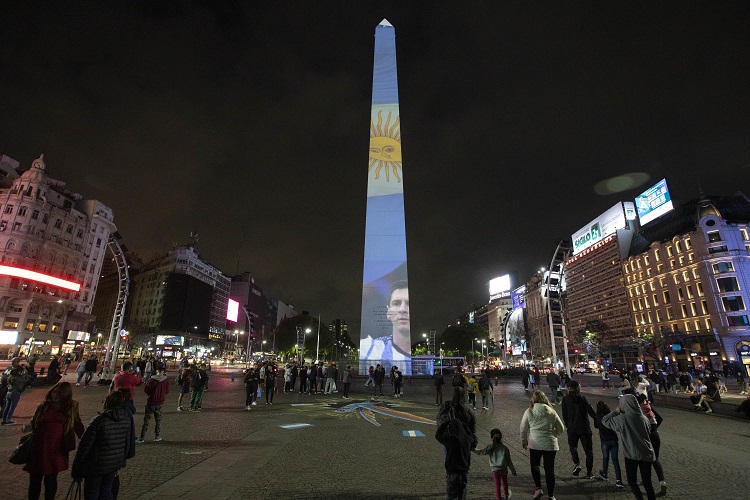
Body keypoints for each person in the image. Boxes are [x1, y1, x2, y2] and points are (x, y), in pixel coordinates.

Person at [22, 381, 84, 500]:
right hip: (39, 447)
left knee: (50, 480)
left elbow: (77, 425)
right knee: (34, 480)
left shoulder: (71, 407)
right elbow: (34, 420)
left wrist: (87, 440)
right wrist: (27, 427)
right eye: (54, 392)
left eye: (58, 394)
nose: (55, 396)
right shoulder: (44, 405)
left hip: (56, 449)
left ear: (65, 395)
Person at [72, 390, 135, 500]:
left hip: (96, 465)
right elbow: (127, 443)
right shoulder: (126, 419)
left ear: (107, 402)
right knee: (106, 490)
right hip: (113, 465)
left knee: (92, 492)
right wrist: (121, 462)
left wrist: (76, 470)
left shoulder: (99, 421)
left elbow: (84, 447)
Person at [601, 394, 656, 500]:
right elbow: (648, 432)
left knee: (632, 481)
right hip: (646, 452)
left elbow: (605, 421)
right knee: (647, 483)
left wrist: (615, 412)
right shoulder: (644, 418)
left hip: (631, 454)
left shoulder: (623, 419)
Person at [520, 391, 565, 500]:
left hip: (535, 443)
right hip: (550, 444)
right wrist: (554, 433)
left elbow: (523, 428)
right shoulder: (552, 412)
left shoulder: (529, 411)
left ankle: (538, 488)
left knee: (535, 465)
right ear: (545, 399)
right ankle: (551, 495)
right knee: (550, 470)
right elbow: (561, 429)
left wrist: (524, 440)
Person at [436, 387, 478, 499]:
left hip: (450, 441)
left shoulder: (449, 407)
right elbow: (472, 428)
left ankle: (451, 483)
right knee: (463, 465)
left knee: (450, 463)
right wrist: (471, 441)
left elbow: (439, 427)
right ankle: (461, 489)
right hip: (464, 443)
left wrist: (444, 427)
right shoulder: (468, 410)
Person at [561, 380, 596, 479]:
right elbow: (591, 412)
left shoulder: (565, 399)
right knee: (588, 451)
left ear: (569, 388)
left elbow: (564, 415)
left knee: (573, 447)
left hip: (572, 428)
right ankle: (589, 473)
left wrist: (568, 425)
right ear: (577, 388)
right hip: (584, 429)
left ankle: (577, 463)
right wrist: (599, 421)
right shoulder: (583, 398)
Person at [473, 428, 517, 500]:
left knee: (497, 485)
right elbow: (509, 460)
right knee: (505, 482)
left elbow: (481, 452)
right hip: (504, 469)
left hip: (495, 470)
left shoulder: (490, 447)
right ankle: (506, 496)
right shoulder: (505, 448)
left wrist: (472, 449)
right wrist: (513, 470)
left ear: (491, 437)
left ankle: (498, 498)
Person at [636, 394, 667, 495]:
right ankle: (662, 483)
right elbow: (660, 419)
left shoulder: (639, 410)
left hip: (646, 437)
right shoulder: (648, 406)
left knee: (644, 459)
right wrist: (654, 429)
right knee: (655, 460)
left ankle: (646, 482)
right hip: (655, 436)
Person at [593, 401, 623, 488]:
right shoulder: (610, 416)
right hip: (613, 439)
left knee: (605, 457)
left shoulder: (598, 417)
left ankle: (605, 474)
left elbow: (596, 425)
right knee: (615, 460)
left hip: (604, 440)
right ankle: (619, 480)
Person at [136, 367, 170, 443]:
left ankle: (142, 437)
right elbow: (167, 391)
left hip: (151, 402)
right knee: (158, 421)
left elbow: (146, 389)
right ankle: (157, 436)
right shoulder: (166, 380)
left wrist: (151, 394)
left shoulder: (151, 380)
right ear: (163, 371)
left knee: (146, 421)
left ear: (157, 371)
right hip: (160, 403)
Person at [2, 360, 32, 425]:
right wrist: (25, 373)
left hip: (9, 392)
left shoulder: (10, 377)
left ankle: (4, 420)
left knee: (7, 406)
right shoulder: (18, 378)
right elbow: (26, 379)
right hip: (15, 393)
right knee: (12, 407)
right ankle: (8, 420)